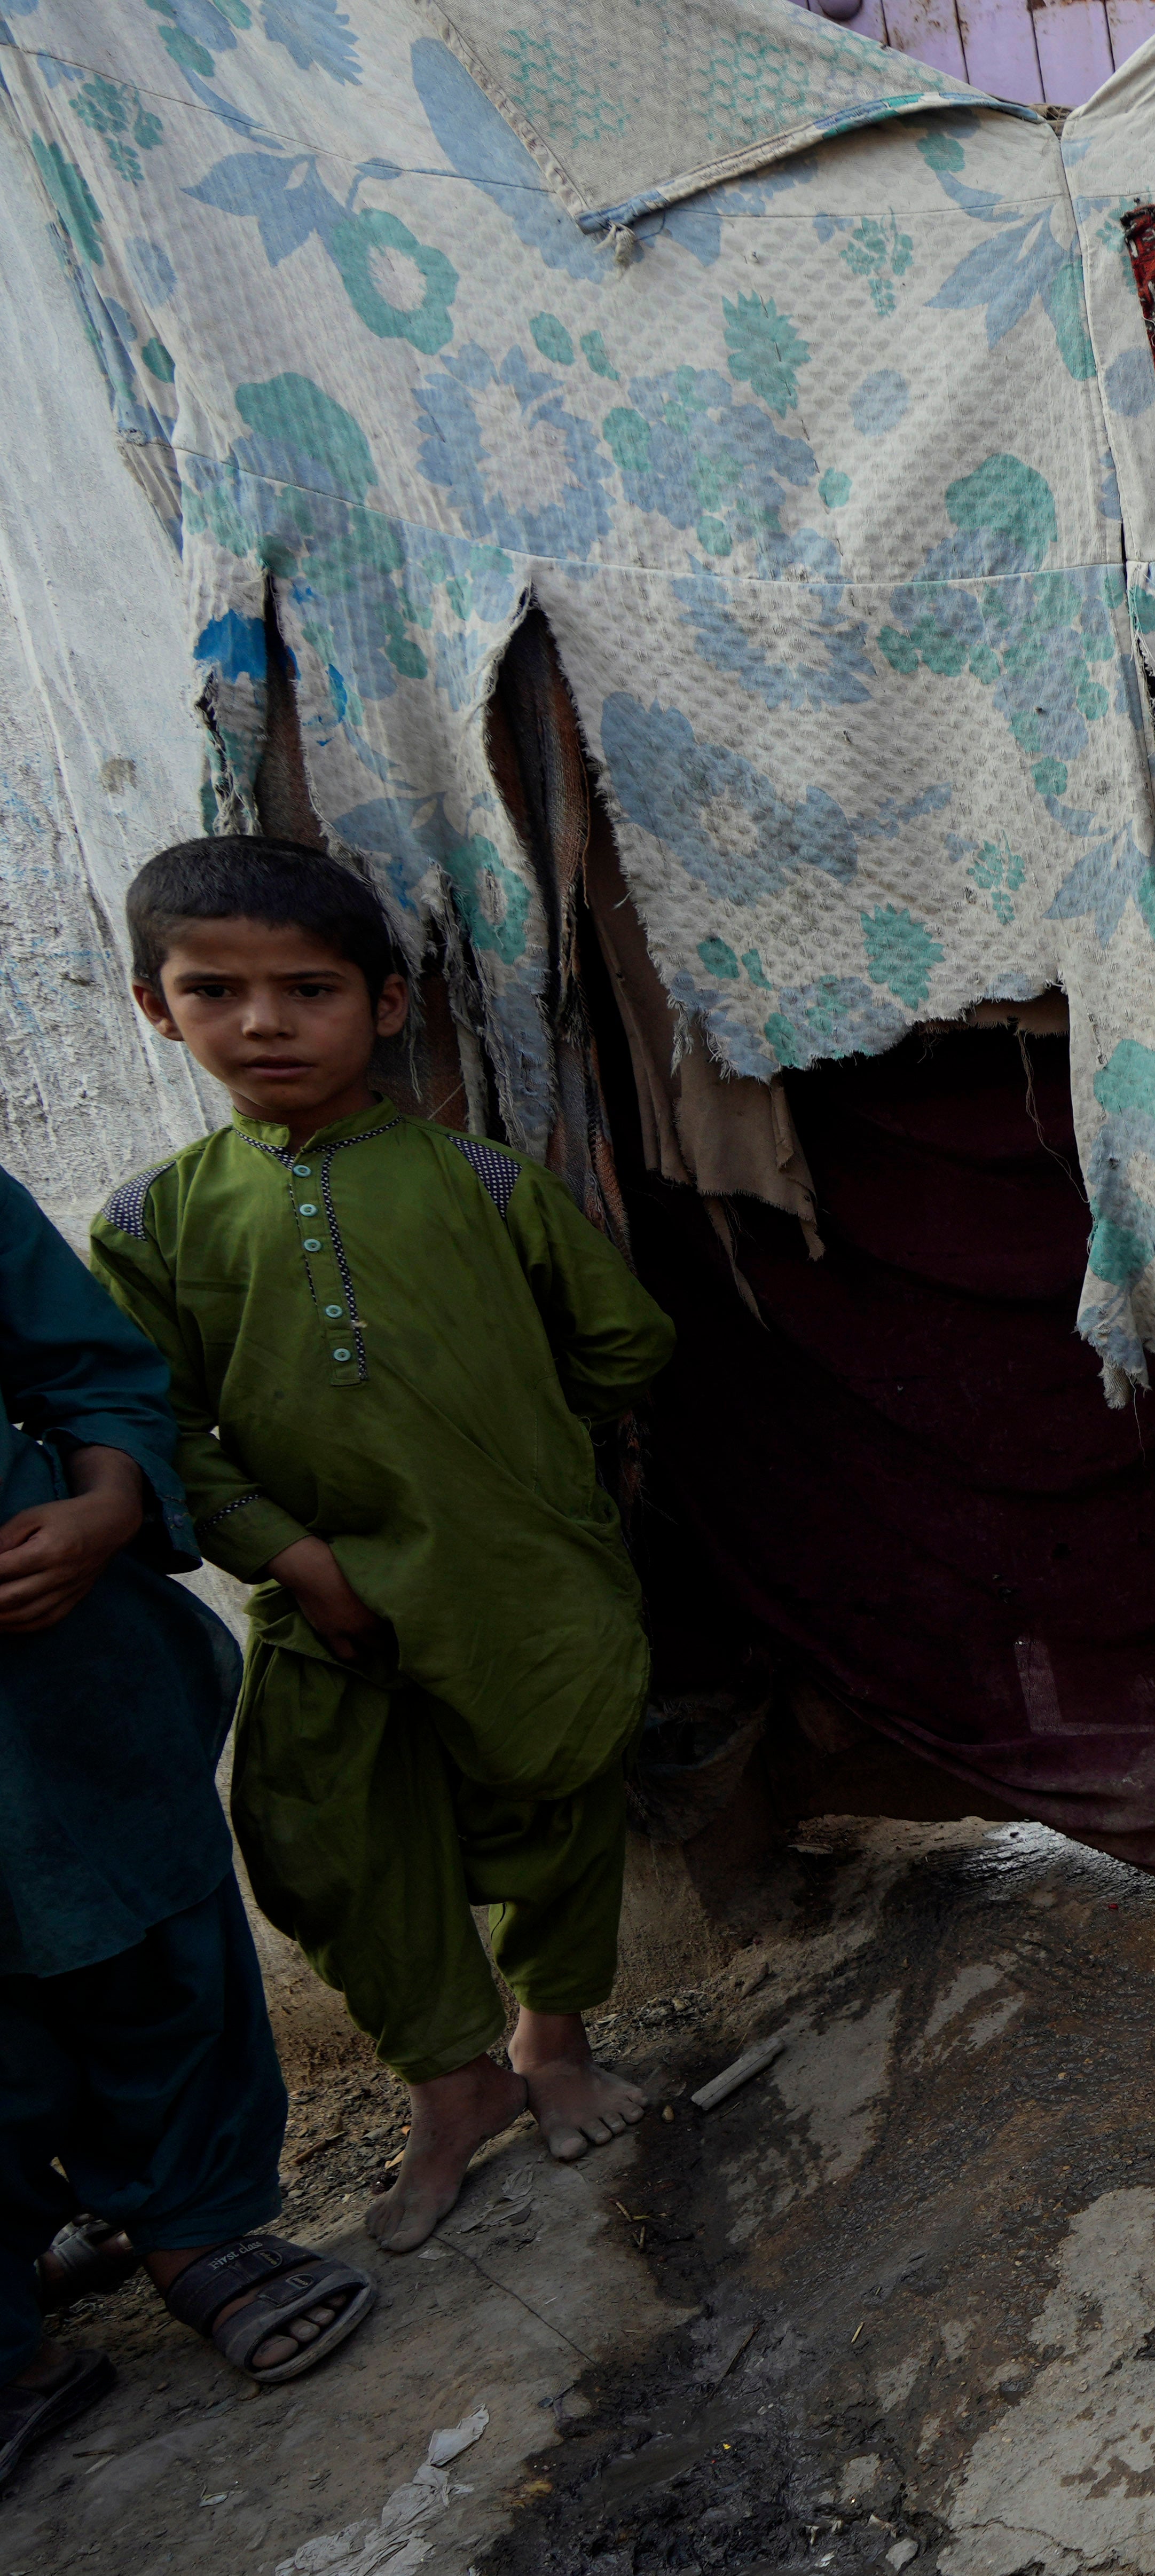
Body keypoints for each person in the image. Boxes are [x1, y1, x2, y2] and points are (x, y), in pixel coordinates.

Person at [89, 838, 673, 2257]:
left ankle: (552, 2040)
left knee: (559, 1798)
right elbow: (154, 1426)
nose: (267, 1024)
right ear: (156, 1010)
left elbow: (623, 1341)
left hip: (516, 1583)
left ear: (388, 1008)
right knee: (332, 1838)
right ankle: (451, 2083)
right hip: (318, 1597)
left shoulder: (480, 1185)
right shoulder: (156, 1223)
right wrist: (290, 1556)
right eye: (215, 992)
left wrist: (517, 1478)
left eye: (311, 989)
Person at [4, 1164, 373, 2484]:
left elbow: (97, 1377)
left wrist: (106, 1506)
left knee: (150, 1952)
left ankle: (192, 2230)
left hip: (51, 1693)